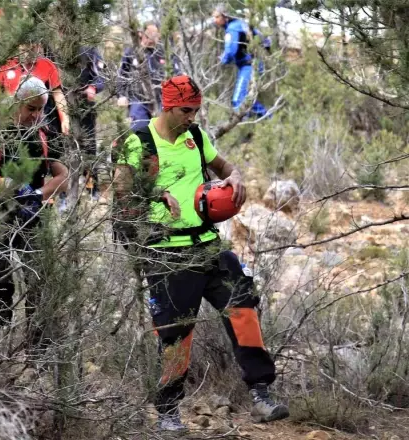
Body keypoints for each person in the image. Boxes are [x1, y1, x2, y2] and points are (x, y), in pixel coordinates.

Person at [113, 75, 289, 431]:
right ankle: (167, 412)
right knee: (175, 334)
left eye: (196, 110)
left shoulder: (195, 136)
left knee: (243, 307)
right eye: (185, 110)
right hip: (165, 252)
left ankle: (260, 393)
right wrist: (154, 194)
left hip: (207, 244)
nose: (192, 116)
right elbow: (119, 196)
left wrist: (235, 177)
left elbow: (224, 167)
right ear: (168, 105)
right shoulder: (139, 141)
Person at [0, 77, 68, 345]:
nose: (35, 115)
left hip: (32, 211)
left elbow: (62, 175)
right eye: (31, 109)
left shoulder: (46, 132)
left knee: (37, 278)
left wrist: (37, 195)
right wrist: (6, 184)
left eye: (40, 109)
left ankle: (37, 348)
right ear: (18, 103)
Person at [116, 22, 181, 131]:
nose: (152, 36)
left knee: (165, 133)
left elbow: (177, 75)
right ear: (141, 33)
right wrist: (121, 95)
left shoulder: (165, 52)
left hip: (162, 99)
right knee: (140, 131)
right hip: (138, 99)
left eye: (155, 33)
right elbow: (121, 76)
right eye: (149, 33)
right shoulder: (132, 52)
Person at [0, 41, 70, 136]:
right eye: (24, 50)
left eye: (31, 50)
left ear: (38, 47)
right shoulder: (6, 66)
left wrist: (64, 118)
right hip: (12, 122)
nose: (27, 54)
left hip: (39, 121)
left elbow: (58, 93)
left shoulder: (47, 65)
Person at [213, 4, 268, 117]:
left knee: (238, 100)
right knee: (248, 101)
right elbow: (264, 39)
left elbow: (230, 51)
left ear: (225, 16)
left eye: (217, 17)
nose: (215, 20)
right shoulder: (240, 24)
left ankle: (242, 128)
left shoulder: (232, 28)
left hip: (250, 66)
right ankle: (269, 121)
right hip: (252, 65)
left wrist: (223, 59)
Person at [75, 46, 105, 202]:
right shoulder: (52, 48)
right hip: (59, 107)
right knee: (61, 150)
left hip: (85, 107)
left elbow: (101, 76)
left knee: (89, 148)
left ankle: (92, 188)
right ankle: (63, 195)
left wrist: (93, 87)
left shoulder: (90, 51)